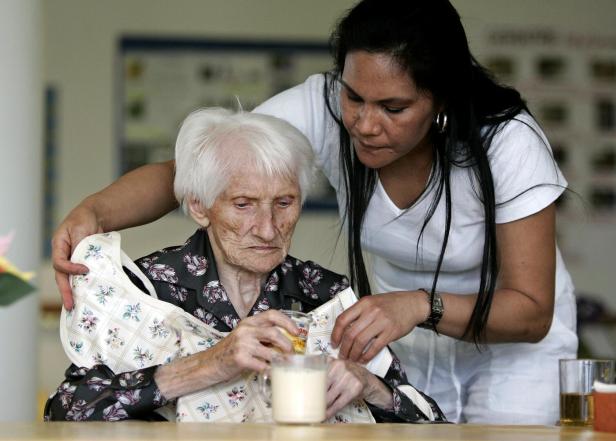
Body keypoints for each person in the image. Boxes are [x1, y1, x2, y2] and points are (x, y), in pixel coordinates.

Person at [51, 0, 577, 424]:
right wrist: (94, 212)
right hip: (395, 324)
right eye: (354, 98)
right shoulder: (322, 107)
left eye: (393, 108)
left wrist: (416, 309)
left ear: (440, 100)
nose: (365, 124)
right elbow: (199, 167)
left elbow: (530, 312)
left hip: (504, 334)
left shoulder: (505, 142)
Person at [45, 108, 446, 423]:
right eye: (243, 204)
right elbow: (64, 410)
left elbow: (433, 423)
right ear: (200, 207)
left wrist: (369, 386)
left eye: (284, 203)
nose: (268, 228)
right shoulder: (148, 288)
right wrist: (210, 364)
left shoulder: (324, 294)